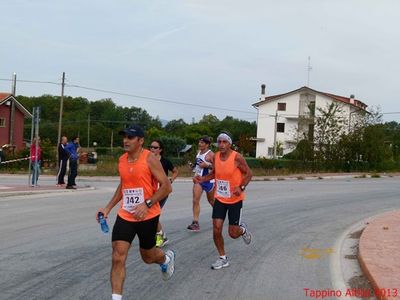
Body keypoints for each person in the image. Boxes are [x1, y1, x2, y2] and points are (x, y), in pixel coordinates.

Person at [96, 125, 175, 300]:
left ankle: (165, 260)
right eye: (124, 137)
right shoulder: (122, 160)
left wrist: (147, 203)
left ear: (140, 141)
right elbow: (124, 185)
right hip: (126, 215)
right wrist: (108, 207)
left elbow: (167, 187)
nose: (125, 141)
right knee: (117, 256)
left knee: (148, 257)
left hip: (148, 215)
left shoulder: (150, 159)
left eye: (130, 138)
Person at [193, 131, 253, 270]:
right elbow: (214, 173)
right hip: (220, 198)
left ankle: (242, 230)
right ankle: (223, 258)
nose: (221, 144)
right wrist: (203, 179)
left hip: (235, 200)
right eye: (219, 142)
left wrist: (241, 187)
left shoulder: (237, 157)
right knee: (217, 229)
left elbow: (249, 174)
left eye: (224, 142)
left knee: (233, 234)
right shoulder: (216, 157)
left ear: (230, 144)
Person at [149, 139, 179, 247]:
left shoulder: (165, 161)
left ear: (160, 150)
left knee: (153, 214)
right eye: (151, 147)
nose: (152, 149)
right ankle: (161, 235)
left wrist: (171, 180)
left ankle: (160, 236)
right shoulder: (146, 160)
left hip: (162, 192)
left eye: (155, 147)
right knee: (151, 215)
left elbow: (175, 171)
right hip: (150, 191)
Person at [187, 136, 215, 231]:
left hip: (209, 181)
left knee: (211, 201)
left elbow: (217, 168)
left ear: (207, 145)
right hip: (198, 180)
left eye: (202, 143)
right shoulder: (198, 153)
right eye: (199, 142)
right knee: (195, 200)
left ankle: (219, 216)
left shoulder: (211, 155)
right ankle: (195, 223)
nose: (200, 144)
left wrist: (207, 165)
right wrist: (192, 167)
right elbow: (197, 166)